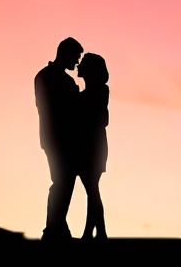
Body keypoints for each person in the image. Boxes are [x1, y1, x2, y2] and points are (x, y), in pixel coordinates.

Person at [35, 37, 84, 241]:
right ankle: (53, 229)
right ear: (66, 54)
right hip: (58, 138)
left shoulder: (49, 77)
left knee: (64, 182)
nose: (77, 62)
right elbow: (59, 108)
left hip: (59, 138)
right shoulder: (51, 78)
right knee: (62, 182)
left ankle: (57, 227)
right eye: (76, 57)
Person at [76, 52, 109, 240]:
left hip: (93, 147)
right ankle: (92, 232)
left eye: (83, 64)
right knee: (92, 190)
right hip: (89, 145)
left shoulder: (100, 91)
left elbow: (103, 119)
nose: (78, 66)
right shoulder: (89, 93)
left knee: (92, 189)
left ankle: (98, 232)